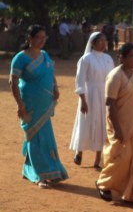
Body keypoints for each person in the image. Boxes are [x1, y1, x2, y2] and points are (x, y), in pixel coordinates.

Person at [95, 43, 133, 204]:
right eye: (132, 56)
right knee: (121, 158)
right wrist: (117, 129)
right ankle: (103, 183)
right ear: (121, 58)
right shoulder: (115, 76)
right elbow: (110, 104)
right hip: (121, 125)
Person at [10, 25, 68, 188]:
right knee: (34, 137)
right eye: (39, 37)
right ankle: (39, 175)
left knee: (45, 137)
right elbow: (13, 82)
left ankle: (41, 169)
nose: (42, 41)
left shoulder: (44, 55)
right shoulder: (20, 58)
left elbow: (51, 72)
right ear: (30, 38)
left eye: (44, 37)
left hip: (45, 103)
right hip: (30, 104)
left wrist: (55, 87)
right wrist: (20, 106)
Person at [69, 32, 114, 168]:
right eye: (100, 41)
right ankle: (79, 151)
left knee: (102, 123)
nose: (103, 43)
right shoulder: (86, 59)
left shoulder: (108, 58)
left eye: (105, 41)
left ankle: (98, 158)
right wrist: (83, 100)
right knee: (86, 122)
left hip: (104, 94)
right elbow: (80, 80)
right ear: (93, 43)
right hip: (90, 94)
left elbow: (112, 78)